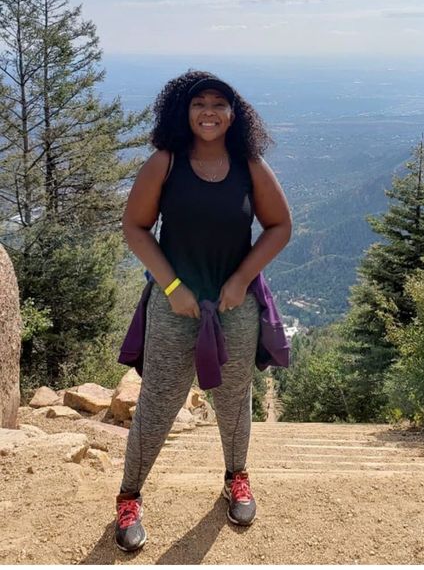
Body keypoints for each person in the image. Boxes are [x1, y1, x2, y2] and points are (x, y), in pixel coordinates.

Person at [114, 71, 292, 552]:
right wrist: (171, 286)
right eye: (199, 103)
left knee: (234, 402)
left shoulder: (247, 165)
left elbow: (279, 226)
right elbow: (135, 226)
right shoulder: (165, 163)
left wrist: (239, 281)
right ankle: (129, 497)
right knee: (157, 404)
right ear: (183, 111)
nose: (209, 111)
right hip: (175, 306)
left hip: (235, 306)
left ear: (235, 114)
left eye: (219, 103)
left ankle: (237, 477)